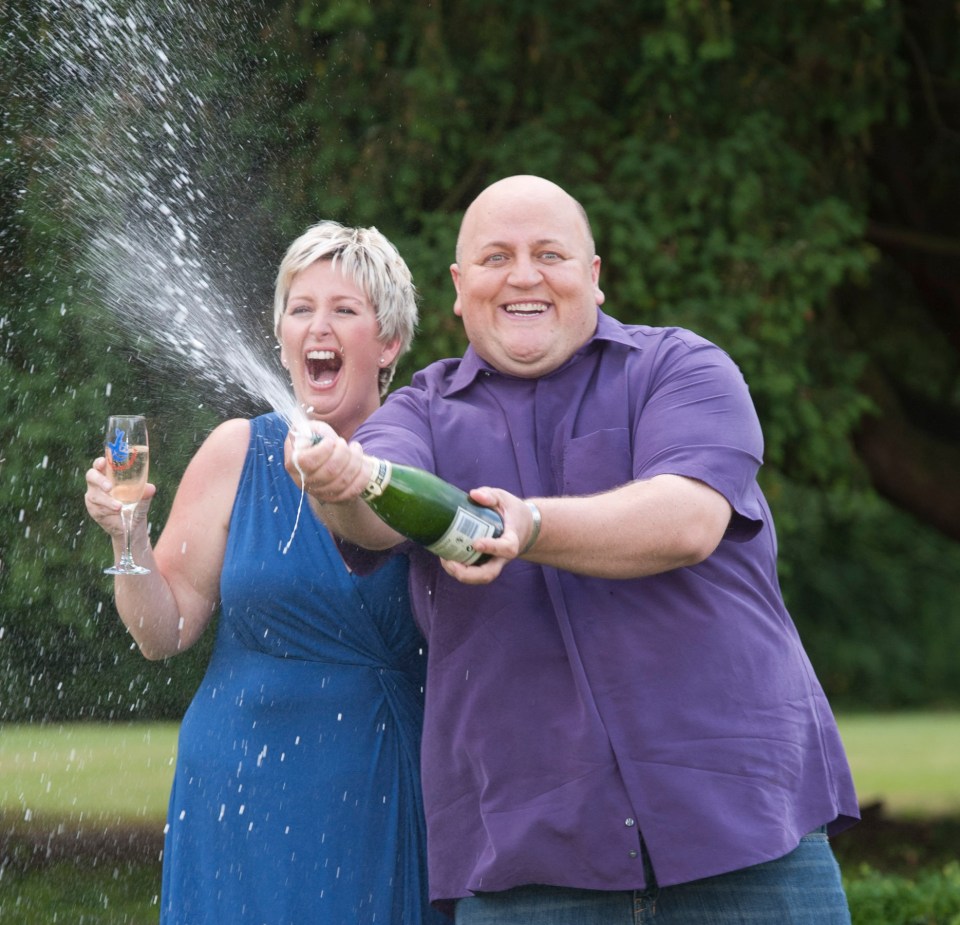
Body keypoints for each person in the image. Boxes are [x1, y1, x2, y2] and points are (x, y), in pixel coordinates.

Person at [285, 176, 861, 924]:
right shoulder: (416, 411)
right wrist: (337, 481)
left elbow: (687, 520)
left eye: (548, 253)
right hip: (531, 864)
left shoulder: (682, 369)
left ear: (593, 274)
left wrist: (531, 525)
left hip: (744, 832)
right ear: (460, 289)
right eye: (496, 257)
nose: (523, 274)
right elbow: (374, 517)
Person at [84, 221, 447, 925]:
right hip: (235, 782)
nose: (319, 325)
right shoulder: (235, 451)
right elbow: (164, 631)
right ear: (279, 337)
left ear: (390, 342)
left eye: (346, 309)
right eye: (300, 307)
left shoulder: (424, 454)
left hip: (373, 778)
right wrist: (127, 536)